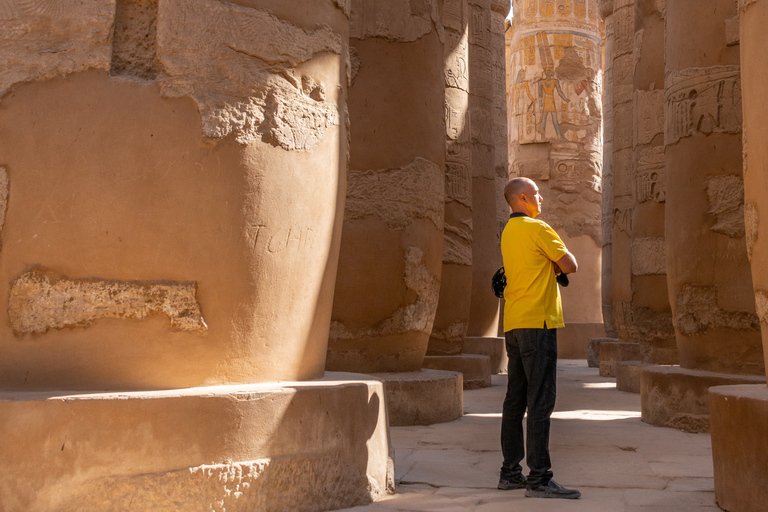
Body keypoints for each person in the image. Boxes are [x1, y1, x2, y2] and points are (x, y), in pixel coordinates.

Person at [497, 177, 580, 499]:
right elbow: (570, 265)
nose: (540, 198)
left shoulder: (508, 232)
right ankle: (540, 478)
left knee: (514, 401)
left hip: (514, 322)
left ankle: (510, 473)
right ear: (522, 198)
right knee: (541, 401)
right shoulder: (538, 228)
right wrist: (556, 267)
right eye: (536, 194)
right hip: (539, 323)